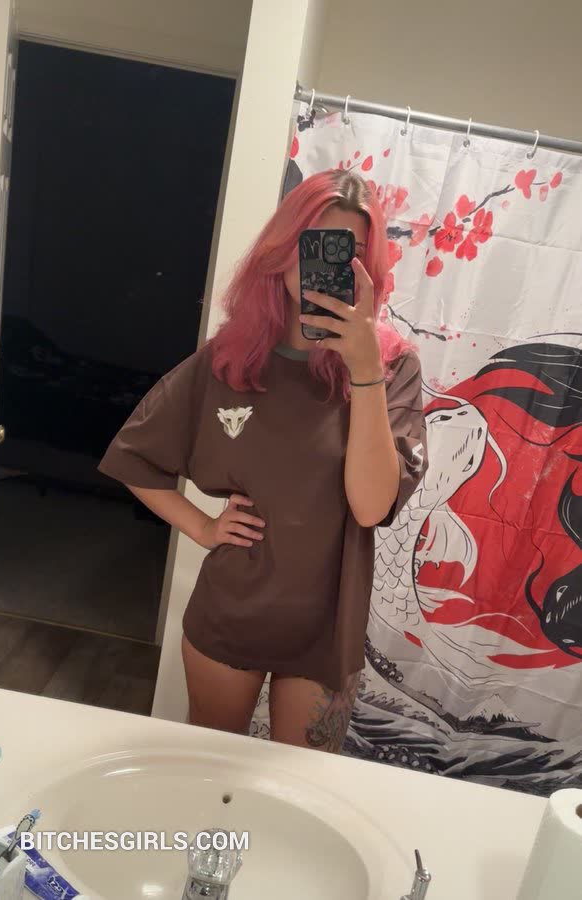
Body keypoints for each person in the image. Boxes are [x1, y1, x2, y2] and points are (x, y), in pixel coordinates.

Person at [98, 169, 428, 753]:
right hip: (232, 609)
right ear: (282, 247)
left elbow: (372, 506)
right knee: (212, 769)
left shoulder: (392, 367)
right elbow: (134, 457)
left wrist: (364, 370)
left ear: (368, 268)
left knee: (301, 787)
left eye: (348, 250)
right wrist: (203, 526)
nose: (327, 261)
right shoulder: (230, 358)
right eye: (314, 241)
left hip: (328, 624)